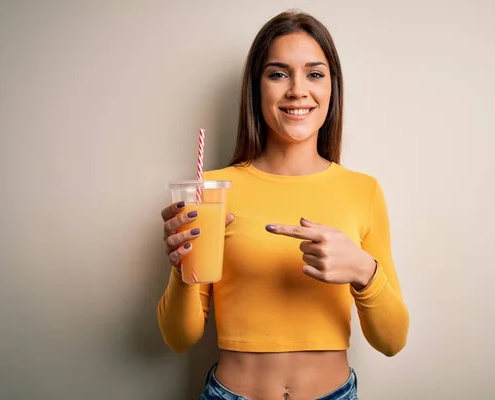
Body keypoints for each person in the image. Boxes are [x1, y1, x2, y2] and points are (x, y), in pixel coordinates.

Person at [157, 10, 409, 400]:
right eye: (277, 74)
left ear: (332, 88)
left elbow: (392, 341)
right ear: (256, 88)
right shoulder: (212, 190)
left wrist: (362, 269)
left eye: (314, 73)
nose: (297, 90)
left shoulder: (364, 190)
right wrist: (182, 267)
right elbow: (180, 338)